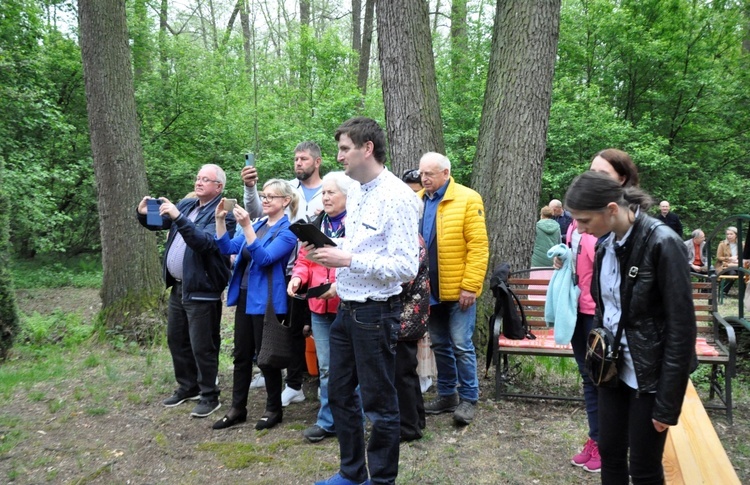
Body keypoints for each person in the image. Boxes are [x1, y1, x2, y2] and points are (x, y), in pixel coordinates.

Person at [565, 171, 696, 484]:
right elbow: (603, 308)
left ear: (612, 209)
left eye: (584, 221)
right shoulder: (603, 244)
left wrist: (667, 403)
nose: (579, 229)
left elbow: (682, 328)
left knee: (644, 466)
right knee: (610, 452)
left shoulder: (663, 242)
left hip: (650, 376)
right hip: (611, 371)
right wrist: (597, 358)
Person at [308, 117, 419, 485]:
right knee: (338, 394)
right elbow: (356, 247)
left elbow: (406, 266)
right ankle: (351, 473)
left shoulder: (398, 196)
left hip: (376, 313)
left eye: (344, 149)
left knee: (379, 405)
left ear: (366, 148)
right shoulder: (355, 191)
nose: (338, 157)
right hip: (347, 309)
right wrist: (327, 249)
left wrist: (348, 260)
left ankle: (382, 480)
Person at [562, 149, 640, 473]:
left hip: (619, 331)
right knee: (590, 377)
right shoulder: (588, 222)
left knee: (610, 386)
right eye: (591, 170)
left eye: (603, 173)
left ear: (622, 180)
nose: (594, 176)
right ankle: (598, 439)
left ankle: (612, 443)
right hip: (585, 314)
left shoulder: (627, 230)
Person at [136, 164, 234, 418]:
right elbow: (158, 224)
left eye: (206, 179)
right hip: (180, 287)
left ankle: (209, 395)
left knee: (203, 345)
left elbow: (205, 243)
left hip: (203, 288)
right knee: (176, 339)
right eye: (198, 178)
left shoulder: (224, 213)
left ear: (219, 187)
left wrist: (178, 217)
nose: (199, 182)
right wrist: (145, 212)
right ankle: (188, 386)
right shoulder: (189, 205)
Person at [211, 179, 299, 430]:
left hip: (268, 301)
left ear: (285, 201)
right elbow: (226, 247)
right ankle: (237, 408)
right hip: (246, 298)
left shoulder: (288, 231)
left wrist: (247, 226)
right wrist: (220, 220)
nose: (265, 199)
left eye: (271, 196)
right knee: (240, 355)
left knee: (266, 357)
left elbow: (265, 258)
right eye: (264, 195)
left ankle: (274, 409)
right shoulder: (258, 224)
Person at [243, 142, 325, 405]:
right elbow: (259, 213)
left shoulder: (332, 188)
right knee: (293, 328)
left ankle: (326, 381)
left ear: (317, 162)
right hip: (293, 270)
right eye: (295, 159)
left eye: (303, 159)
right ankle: (294, 383)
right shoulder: (287, 189)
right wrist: (250, 189)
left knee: (321, 326)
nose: (298, 163)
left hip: (324, 269)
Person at [418, 151, 489, 426]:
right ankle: (447, 394)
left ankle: (468, 398)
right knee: (440, 344)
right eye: (422, 174)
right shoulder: (418, 201)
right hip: (429, 288)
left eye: (430, 174)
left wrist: (470, 286)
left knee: (461, 345)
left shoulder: (468, 198)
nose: (424, 179)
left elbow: (478, 247)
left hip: (459, 290)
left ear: (445, 174)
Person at [287, 171, 353, 443]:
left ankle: (352, 418)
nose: (325, 197)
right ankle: (328, 421)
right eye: (323, 192)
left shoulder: (356, 223)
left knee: (351, 367)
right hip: (318, 306)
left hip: (348, 304)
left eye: (331, 192)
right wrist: (298, 277)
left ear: (347, 196)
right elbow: (304, 260)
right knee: (325, 367)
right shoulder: (314, 223)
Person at [401, 169, 437, 394]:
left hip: (419, 295)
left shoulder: (426, 213)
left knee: (423, 338)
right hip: (410, 296)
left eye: (417, 192)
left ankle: (424, 377)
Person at [716, 226, 740, 295]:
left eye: (731, 234)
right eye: (727, 234)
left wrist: (737, 257)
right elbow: (719, 257)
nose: (729, 236)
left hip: (738, 264)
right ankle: (723, 292)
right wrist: (729, 258)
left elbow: (744, 256)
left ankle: (743, 293)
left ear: (736, 235)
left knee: (743, 273)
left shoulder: (741, 244)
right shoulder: (722, 244)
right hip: (725, 265)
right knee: (733, 273)